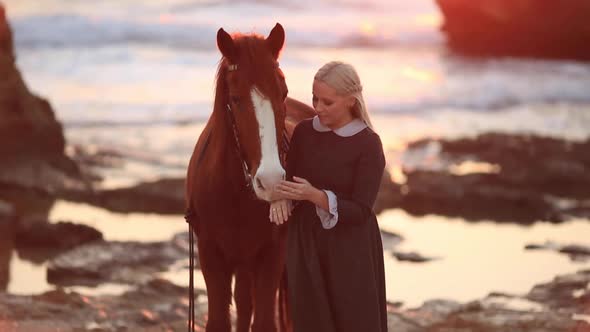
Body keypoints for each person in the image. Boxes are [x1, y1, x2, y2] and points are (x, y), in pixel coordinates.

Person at [270, 61, 387, 332]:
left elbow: (361, 210)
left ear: (350, 101)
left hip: (350, 250)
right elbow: (291, 182)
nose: (317, 107)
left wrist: (317, 196)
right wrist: (280, 197)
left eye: (327, 102)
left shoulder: (369, 143)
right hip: (306, 245)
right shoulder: (304, 133)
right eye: (314, 98)